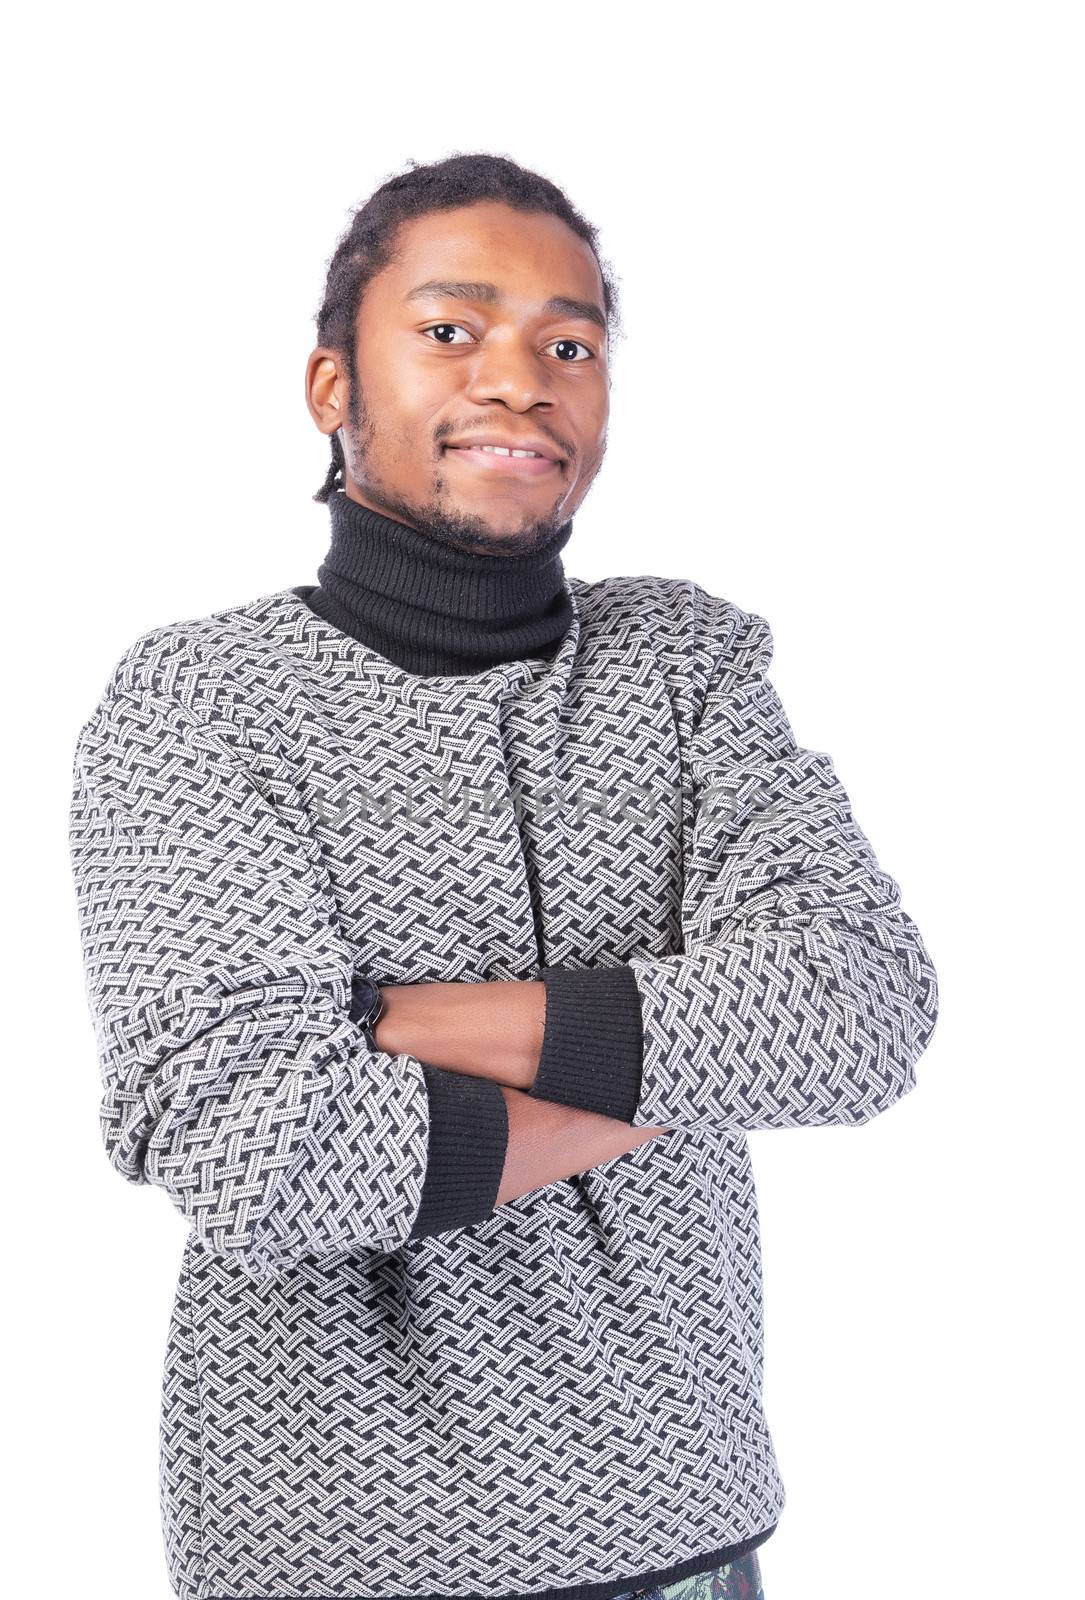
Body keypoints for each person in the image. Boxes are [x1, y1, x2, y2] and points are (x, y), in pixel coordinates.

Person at [68, 153, 938, 1600]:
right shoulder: (200, 700)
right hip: (337, 1557)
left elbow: (858, 1013)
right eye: (451, 330)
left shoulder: (685, 662)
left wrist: (370, 1016)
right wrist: (699, 1051)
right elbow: (257, 1156)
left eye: (569, 342)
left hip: (685, 1533)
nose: (520, 379)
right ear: (332, 386)